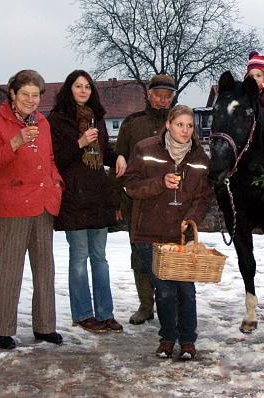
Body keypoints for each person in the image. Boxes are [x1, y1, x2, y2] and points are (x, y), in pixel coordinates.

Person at [0, 70, 64, 349]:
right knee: (10, 270)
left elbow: (49, 158)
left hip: (41, 204)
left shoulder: (43, 122)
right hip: (12, 208)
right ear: (12, 94)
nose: (31, 100)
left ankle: (44, 327)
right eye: (25, 94)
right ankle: (2, 329)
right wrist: (15, 142)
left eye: (36, 95)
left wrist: (55, 184)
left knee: (44, 270)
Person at [123, 105, 213, 359]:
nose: (185, 130)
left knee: (185, 290)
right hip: (149, 234)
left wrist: (191, 218)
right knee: (163, 290)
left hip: (181, 236)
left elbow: (204, 197)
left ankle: (187, 341)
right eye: (179, 125)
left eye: (190, 126)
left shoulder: (199, 158)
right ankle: (167, 338)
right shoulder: (145, 149)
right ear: (168, 125)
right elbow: (131, 187)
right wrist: (158, 183)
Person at [48, 70, 127, 333]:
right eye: (78, 86)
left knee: (100, 258)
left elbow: (103, 150)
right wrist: (80, 142)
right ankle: (82, 314)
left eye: (87, 87)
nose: (83, 91)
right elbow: (55, 160)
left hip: (97, 194)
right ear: (69, 89)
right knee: (79, 257)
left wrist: (116, 156)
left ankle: (106, 313)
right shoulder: (57, 120)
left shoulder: (97, 117)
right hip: (73, 196)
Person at [114, 75, 177, 325]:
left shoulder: (179, 122)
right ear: (148, 94)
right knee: (140, 256)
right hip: (138, 203)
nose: (162, 100)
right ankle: (145, 305)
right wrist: (121, 202)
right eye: (158, 94)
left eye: (168, 96)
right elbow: (121, 163)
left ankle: (169, 303)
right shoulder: (132, 123)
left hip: (171, 203)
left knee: (170, 256)